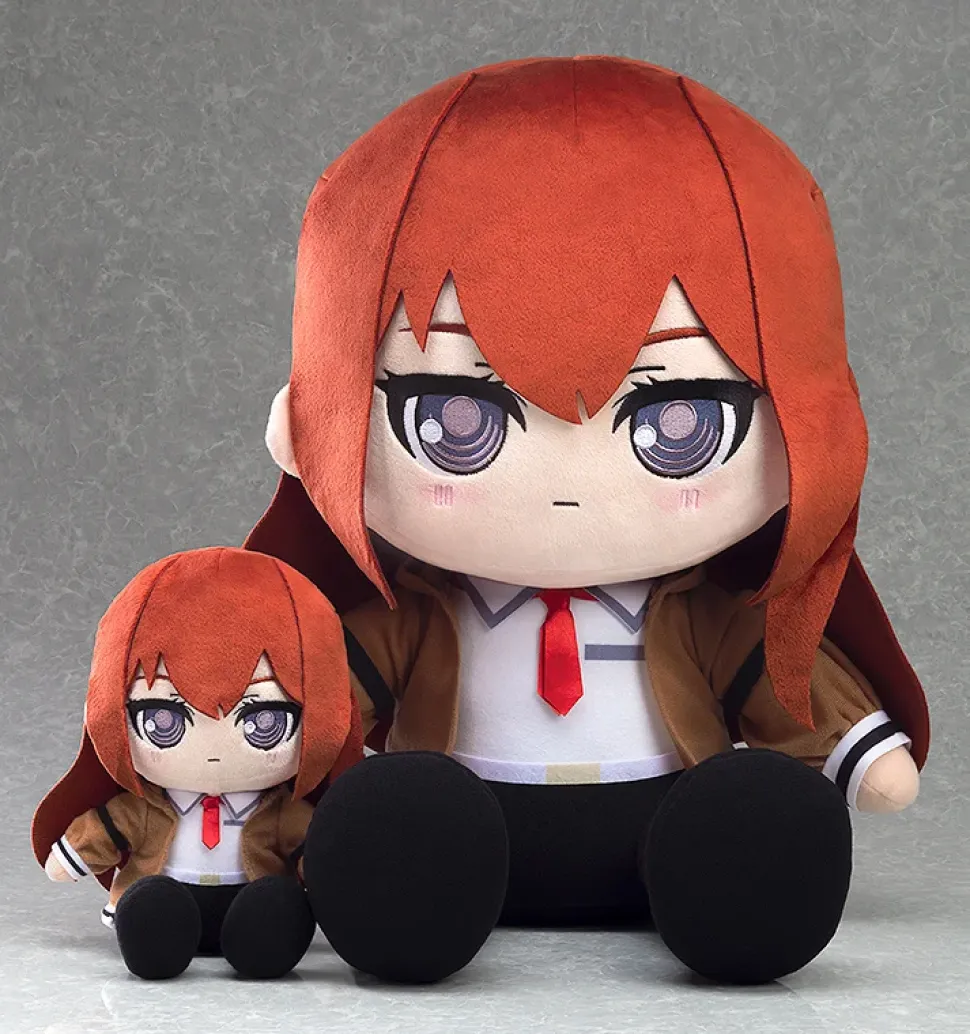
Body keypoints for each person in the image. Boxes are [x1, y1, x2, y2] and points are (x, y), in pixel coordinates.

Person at [245, 56, 930, 985]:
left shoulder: (698, 614)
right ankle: (402, 893)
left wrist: (858, 750)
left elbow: (776, 677)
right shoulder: (418, 615)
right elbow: (330, 697)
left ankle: (737, 895)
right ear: (303, 427)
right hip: (453, 838)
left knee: (756, 822)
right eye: (455, 418)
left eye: (679, 421)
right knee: (392, 824)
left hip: (667, 833)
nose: (567, 486)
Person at [32, 547, 361, 980]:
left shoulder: (281, 813)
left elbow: (313, 851)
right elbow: (109, 828)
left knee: (275, 908)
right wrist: (75, 853)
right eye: (162, 720)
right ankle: (153, 933)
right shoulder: (145, 807)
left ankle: (267, 937)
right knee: (152, 906)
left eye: (265, 722)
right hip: (164, 900)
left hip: (251, 907)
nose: (214, 750)